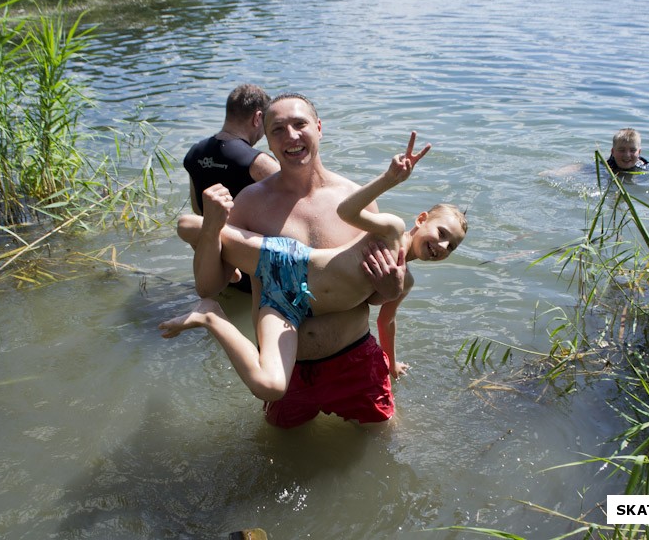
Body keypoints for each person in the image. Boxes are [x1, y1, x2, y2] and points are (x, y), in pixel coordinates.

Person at [159, 134, 467, 409]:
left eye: (451, 246)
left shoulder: (404, 280)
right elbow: (346, 211)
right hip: (289, 261)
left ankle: (211, 315)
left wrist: (392, 363)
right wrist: (390, 179)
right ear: (422, 218)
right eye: (441, 232)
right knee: (188, 225)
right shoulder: (391, 229)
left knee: (270, 387)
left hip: (290, 303)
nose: (442, 245)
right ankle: (231, 266)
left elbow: (386, 322)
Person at [162, 93, 412, 428]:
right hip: (287, 366)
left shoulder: (356, 200)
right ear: (267, 140)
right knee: (278, 447)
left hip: (355, 361)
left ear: (319, 128)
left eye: (300, 124)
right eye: (278, 129)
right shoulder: (250, 203)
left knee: (381, 443)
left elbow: (369, 292)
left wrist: (390, 288)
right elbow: (209, 285)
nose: (291, 136)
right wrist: (210, 226)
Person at [177, 83, 279, 247]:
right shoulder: (259, 162)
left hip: (212, 251)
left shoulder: (194, 153)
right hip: (248, 254)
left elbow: (197, 209)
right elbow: (296, 208)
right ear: (258, 118)